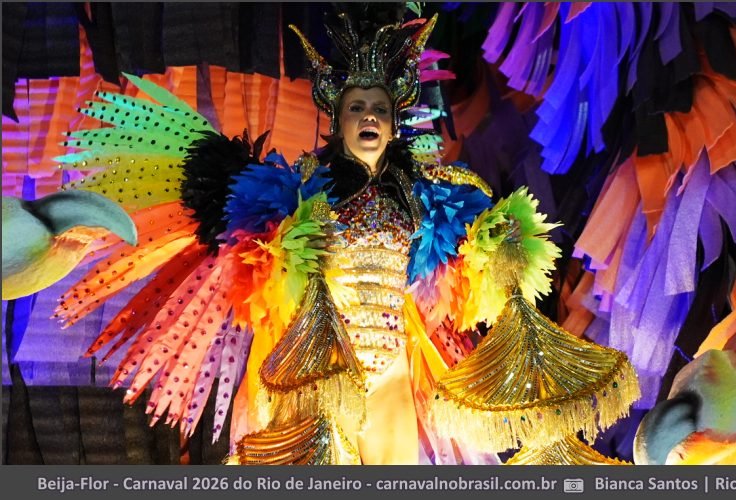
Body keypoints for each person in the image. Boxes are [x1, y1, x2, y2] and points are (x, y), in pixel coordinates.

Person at [49, 6, 639, 465]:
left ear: (395, 115)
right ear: (336, 115)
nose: (368, 119)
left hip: (397, 373)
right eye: (357, 106)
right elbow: (243, 248)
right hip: (314, 371)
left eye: (379, 107)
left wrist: (501, 243)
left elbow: (474, 262)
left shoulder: (436, 192)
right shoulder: (298, 189)